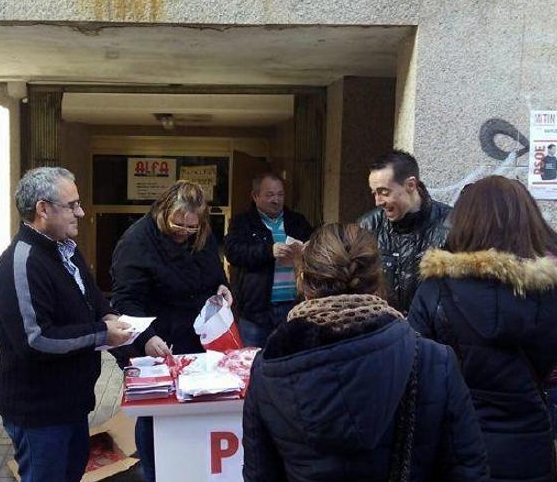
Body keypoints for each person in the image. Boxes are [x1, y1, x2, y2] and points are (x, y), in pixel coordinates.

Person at [243, 223, 488, 481]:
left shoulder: (269, 366)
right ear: (378, 281)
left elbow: (260, 474)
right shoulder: (434, 361)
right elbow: (468, 471)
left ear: (303, 283)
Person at [408, 176, 557, 482]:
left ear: (465, 222)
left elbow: (416, 364)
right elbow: (555, 357)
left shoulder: (435, 289)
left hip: (456, 445)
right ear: (528, 221)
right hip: (529, 446)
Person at [0, 167, 132, 482]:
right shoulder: (22, 263)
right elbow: (36, 340)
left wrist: (107, 315)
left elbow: (91, 299)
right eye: (72, 205)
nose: (80, 212)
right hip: (39, 411)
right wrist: (100, 333)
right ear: (43, 209)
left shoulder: (65, 250)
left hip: (71, 404)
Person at [110, 180, 233, 482]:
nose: (185, 232)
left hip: (194, 341)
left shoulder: (200, 235)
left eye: (192, 227)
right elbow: (125, 300)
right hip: (155, 341)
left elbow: (215, 274)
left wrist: (222, 288)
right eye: (179, 224)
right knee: (154, 416)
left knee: (192, 411)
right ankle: (153, 473)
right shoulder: (137, 241)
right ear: (164, 210)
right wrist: (147, 337)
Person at [224, 172, 313, 347]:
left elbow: (315, 245)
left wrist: (310, 247)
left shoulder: (297, 221)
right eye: (270, 195)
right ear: (255, 196)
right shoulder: (243, 222)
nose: (276, 200)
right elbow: (233, 252)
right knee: (251, 361)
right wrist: (268, 251)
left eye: (280, 194)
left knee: (288, 360)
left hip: (292, 306)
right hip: (256, 310)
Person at [358, 149, 451, 313]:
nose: (378, 201)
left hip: (432, 336)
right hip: (384, 331)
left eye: (384, 192)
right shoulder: (367, 226)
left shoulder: (452, 226)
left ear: (411, 185)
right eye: (374, 193)